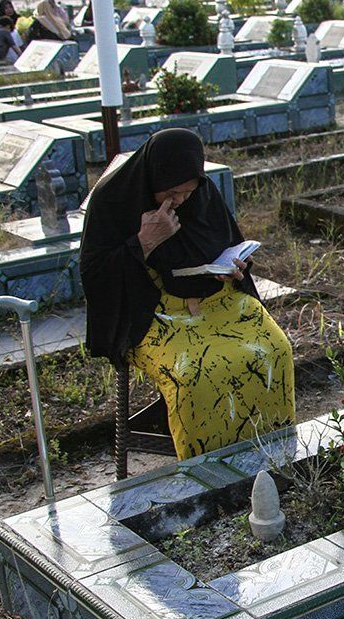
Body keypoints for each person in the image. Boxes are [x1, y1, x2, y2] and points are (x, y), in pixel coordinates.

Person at [80, 129, 296, 460]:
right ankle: (205, 470)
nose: (180, 199)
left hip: (218, 300)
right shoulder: (112, 199)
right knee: (194, 370)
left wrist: (235, 265)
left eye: (187, 191)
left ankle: (268, 457)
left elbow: (223, 243)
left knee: (273, 349)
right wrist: (145, 241)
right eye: (171, 191)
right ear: (153, 176)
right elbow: (96, 277)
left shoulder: (202, 194)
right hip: (152, 311)